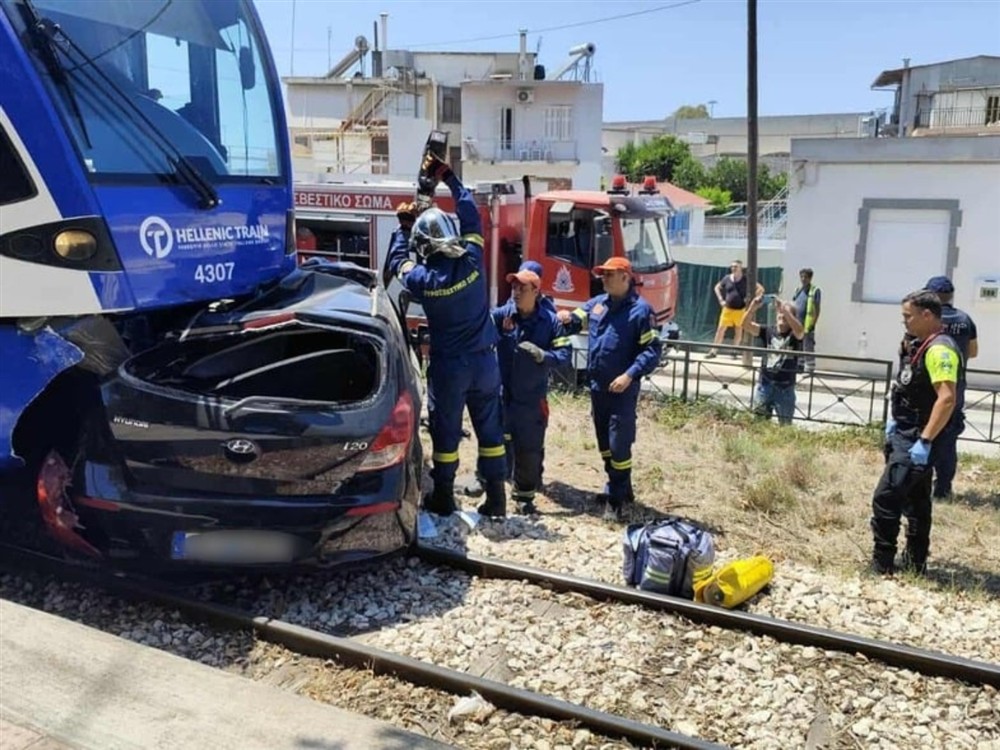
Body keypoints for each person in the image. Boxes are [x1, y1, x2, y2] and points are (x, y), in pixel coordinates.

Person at [387, 154, 508, 518]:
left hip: (450, 368)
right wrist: (450, 179)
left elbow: (397, 265)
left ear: (424, 244)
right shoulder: (472, 258)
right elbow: (471, 214)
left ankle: (443, 496)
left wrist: (403, 228)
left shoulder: (424, 281)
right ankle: (497, 498)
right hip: (486, 361)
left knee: (447, 434)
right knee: (490, 433)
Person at [557, 257, 662, 519]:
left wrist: (629, 375)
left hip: (621, 391)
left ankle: (616, 500)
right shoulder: (597, 305)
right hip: (597, 387)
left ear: (625, 277)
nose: (603, 279)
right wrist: (563, 316)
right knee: (604, 444)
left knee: (618, 444)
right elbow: (572, 321)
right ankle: (621, 487)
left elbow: (651, 351)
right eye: (602, 274)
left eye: (609, 274)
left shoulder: (641, 311)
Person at [871, 290, 961, 575]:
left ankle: (882, 562)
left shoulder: (939, 350)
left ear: (927, 315)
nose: (904, 322)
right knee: (917, 500)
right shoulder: (918, 344)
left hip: (918, 437)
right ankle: (915, 563)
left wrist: (924, 440)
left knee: (886, 497)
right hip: (907, 431)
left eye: (908, 316)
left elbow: (946, 398)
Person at [483, 267, 571, 512]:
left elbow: (565, 355)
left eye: (522, 288)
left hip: (531, 400)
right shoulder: (504, 314)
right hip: (503, 395)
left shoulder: (550, 321)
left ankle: (524, 499)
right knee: (496, 444)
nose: (516, 292)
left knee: (528, 449)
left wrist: (544, 355)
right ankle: (492, 492)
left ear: (536, 291)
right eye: (514, 287)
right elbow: (482, 322)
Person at [924, 276, 978, 499]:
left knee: (925, 434)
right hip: (956, 387)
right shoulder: (965, 320)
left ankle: (920, 486)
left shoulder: (927, 319)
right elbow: (973, 352)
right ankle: (943, 489)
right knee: (948, 440)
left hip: (928, 388)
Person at [739, 294, 805, 425]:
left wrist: (785, 310)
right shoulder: (768, 331)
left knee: (785, 428)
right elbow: (745, 325)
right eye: (779, 313)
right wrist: (753, 307)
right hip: (765, 385)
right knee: (758, 425)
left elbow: (800, 332)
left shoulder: (794, 335)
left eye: (785, 314)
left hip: (785, 388)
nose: (781, 316)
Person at [706, 261, 764, 359]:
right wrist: (721, 299)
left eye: (736, 266)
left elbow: (760, 289)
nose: (733, 268)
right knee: (720, 330)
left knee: (738, 330)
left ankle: (734, 351)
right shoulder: (727, 278)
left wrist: (751, 299)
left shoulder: (746, 279)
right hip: (727, 309)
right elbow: (717, 287)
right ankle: (713, 351)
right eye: (732, 266)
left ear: (741, 268)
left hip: (740, 309)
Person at [792, 268, 821, 373]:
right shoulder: (798, 290)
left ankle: (809, 368)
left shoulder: (815, 291)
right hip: (797, 323)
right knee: (798, 344)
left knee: (808, 345)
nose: (803, 279)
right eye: (802, 277)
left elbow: (817, 309)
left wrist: (813, 323)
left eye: (806, 277)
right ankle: (799, 366)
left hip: (808, 323)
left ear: (810, 278)